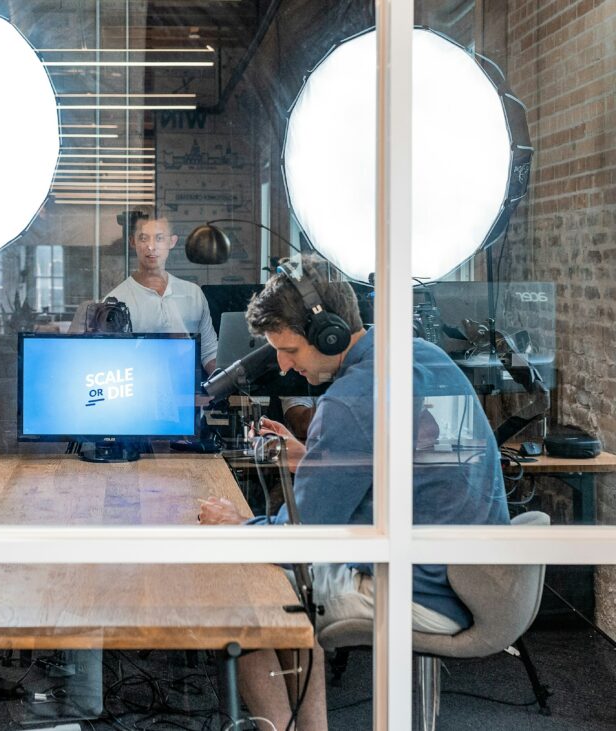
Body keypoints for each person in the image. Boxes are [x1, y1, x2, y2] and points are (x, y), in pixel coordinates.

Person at [199, 255, 509, 731]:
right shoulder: (420, 355)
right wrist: (317, 456)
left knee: (249, 597)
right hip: (473, 575)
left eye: (290, 350)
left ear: (330, 335)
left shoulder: (349, 401)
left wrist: (235, 525)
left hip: (421, 589)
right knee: (279, 587)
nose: (283, 366)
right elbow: (404, 462)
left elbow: (302, 540)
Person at [107, 208, 218, 374]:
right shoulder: (116, 301)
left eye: (159, 238)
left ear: (172, 242)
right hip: (140, 386)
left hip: (189, 387)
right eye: (143, 238)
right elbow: (113, 361)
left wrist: (227, 382)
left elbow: (209, 352)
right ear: (132, 242)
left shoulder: (193, 293)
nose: (151, 247)